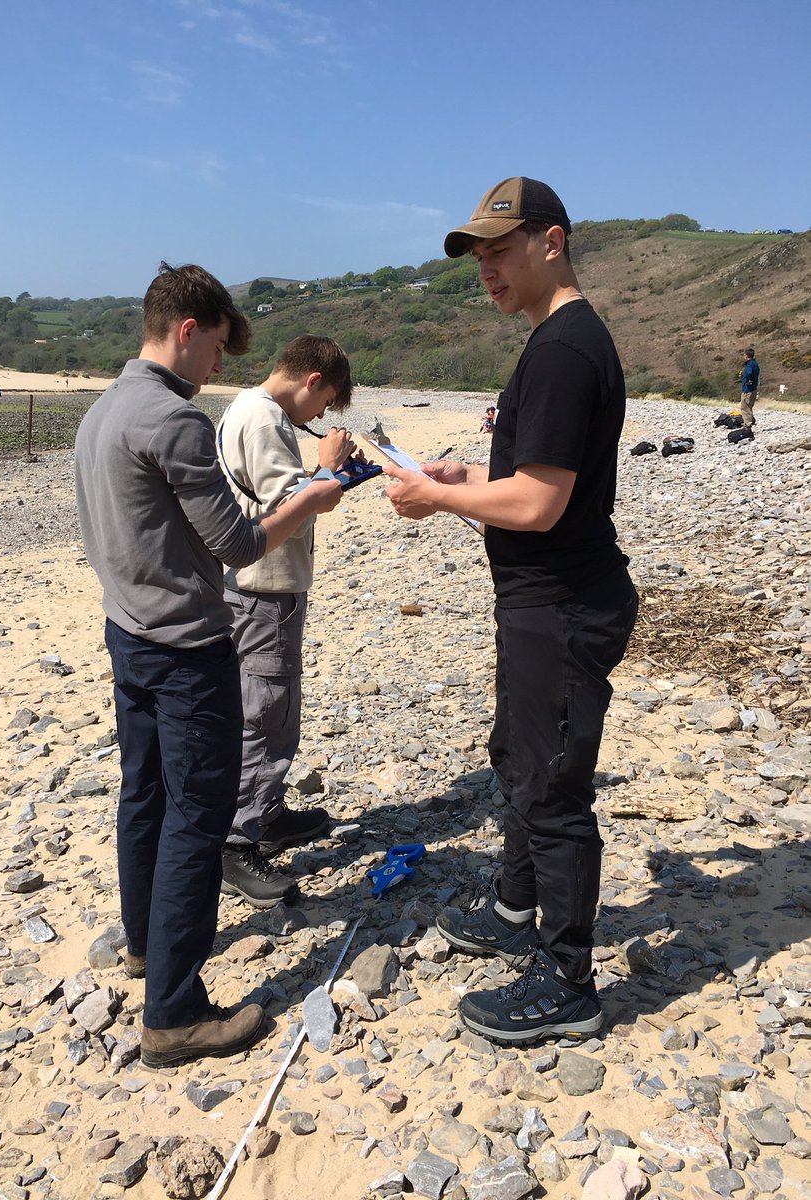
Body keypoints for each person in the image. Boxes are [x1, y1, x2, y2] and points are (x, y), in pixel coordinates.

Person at [383, 177, 638, 1045]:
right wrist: (462, 480)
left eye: (499, 249)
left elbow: (539, 505)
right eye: (478, 256)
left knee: (554, 784)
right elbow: (533, 478)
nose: (485, 269)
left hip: (563, 604)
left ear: (551, 242)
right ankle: (516, 904)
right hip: (538, 602)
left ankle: (568, 981)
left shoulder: (566, 350)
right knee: (519, 758)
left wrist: (437, 499)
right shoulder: (548, 343)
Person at [74, 263, 342, 1067]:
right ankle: (175, 1013)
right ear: (186, 330)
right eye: (217, 348)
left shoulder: (101, 413)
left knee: (143, 796)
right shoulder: (172, 419)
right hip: (187, 649)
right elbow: (239, 543)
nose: (219, 368)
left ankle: (144, 948)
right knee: (197, 816)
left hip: (127, 633)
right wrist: (316, 492)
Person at [217, 336, 355, 906]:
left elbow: (272, 496)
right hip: (266, 589)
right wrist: (328, 471)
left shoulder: (247, 409)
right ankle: (237, 839)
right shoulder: (265, 418)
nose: (320, 417)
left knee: (265, 706)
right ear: (312, 380)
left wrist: (337, 478)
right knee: (268, 712)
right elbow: (286, 509)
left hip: (255, 586)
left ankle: (265, 815)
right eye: (325, 404)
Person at [739, 347, 760, 428]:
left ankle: (748, 424)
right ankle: (751, 420)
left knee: (745, 407)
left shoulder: (750, 365)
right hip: (753, 388)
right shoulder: (755, 364)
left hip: (748, 389)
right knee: (749, 406)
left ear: (746, 356)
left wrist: (747, 379)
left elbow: (749, 373)